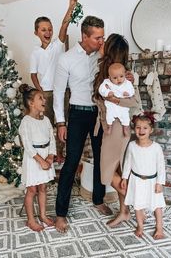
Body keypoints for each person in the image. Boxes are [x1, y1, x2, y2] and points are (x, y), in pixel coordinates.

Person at [53, 15, 112, 233]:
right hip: (76, 114)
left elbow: (117, 76)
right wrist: (61, 122)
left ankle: (98, 199)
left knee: (100, 158)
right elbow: (59, 94)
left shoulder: (102, 56)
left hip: (98, 114)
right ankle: (60, 214)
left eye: (102, 37)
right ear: (84, 36)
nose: (101, 41)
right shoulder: (66, 59)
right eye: (97, 37)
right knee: (71, 163)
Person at [93, 33, 136, 227]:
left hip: (117, 127)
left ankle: (135, 197)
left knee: (106, 172)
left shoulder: (122, 76)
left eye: (105, 43)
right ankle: (124, 212)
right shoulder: (108, 71)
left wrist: (116, 98)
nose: (101, 44)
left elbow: (132, 101)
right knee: (117, 168)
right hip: (110, 125)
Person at [30, 0, 77, 163]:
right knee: (47, 126)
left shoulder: (58, 45)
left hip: (62, 91)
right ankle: (50, 153)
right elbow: (33, 74)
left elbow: (64, 25)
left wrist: (70, 7)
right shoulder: (35, 52)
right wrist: (40, 91)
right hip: (46, 94)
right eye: (43, 30)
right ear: (36, 33)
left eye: (49, 29)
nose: (47, 32)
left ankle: (61, 153)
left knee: (62, 123)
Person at [121, 113, 166, 239]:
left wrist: (160, 183)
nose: (141, 130)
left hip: (152, 181)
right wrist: (125, 177)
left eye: (145, 128)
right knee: (138, 204)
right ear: (134, 129)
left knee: (156, 205)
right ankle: (140, 226)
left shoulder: (156, 148)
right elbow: (128, 162)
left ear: (151, 130)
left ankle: (159, 228)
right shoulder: (131, 145)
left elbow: (161, 166)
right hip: (136, 180)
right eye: (138, 127)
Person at [19, 84, 56, 232]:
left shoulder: (46, 120)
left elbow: (51, 139)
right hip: (33, 159)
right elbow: (28, 146)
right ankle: (31, 220)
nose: (44, 100)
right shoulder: (26, 122)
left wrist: (51, 157)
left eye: (44, 98)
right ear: (31, 103)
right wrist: (41, 161)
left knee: (43, 187)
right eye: (40, 98)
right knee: (32, 190)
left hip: (46, 157)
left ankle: (43, 215)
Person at [99, 62, 134, 136]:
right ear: (109, 77)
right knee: (109, 116)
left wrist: (128, 93)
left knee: (125, 117)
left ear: (124, 74)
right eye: (115, 78)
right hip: (111, 105)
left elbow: (132, 91)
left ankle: (125, 128)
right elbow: (101, 89)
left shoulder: (127, 83)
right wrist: (107, 92)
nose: (119, 79)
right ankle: (109, 127)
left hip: (122, 106)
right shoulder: (107, 82)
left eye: (121, 76)